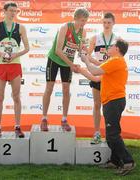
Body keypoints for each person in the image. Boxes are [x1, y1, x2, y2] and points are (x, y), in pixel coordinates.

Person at [79, 39, 135, 176]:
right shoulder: (114, 62)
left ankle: (128, 162)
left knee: (113, 134)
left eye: (111, 46)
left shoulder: (116, 61)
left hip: (114, 101)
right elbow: (96, 79)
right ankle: (115, 161)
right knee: (111, 134)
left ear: (117, 49)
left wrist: (85, 59)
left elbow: (95, 71)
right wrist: (80, 70)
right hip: (112, 101)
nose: (108, 48)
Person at [41, 8, 89, 131]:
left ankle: (64, 119)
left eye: (85, 21)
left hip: (68, 63)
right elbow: (57, 50)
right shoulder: (65, 27)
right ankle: (44, 118)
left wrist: (86, 57)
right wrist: (71, 64)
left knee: (66, 89)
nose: (84, 23)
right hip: (54, 59)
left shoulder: (83, 32)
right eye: (82, 20)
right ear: (76, 18)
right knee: (49, 87)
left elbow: (81, 50)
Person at [0, 2, 29, 138]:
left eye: (15, 11)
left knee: (16, 96)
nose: (13, 13)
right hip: (0, 65)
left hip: (15, 64)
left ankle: (17, 127)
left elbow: (27, 48)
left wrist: (15, 55)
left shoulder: (21, 27)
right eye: (11, 10)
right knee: (0, 97)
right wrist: (0, 54)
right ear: (4, 11)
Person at [87, 12, 118, 144]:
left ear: (113, 23)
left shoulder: (117, 39)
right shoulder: (95, 37)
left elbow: (118, 59)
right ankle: (97, 133)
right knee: (96, 104)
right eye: (104, 22)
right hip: (97, 75)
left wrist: (106, 66)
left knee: (109, 107)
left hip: (110, 77)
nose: (106, 25)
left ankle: (110, 135)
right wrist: (99, 65)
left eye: (109, 22)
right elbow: (88, 56)